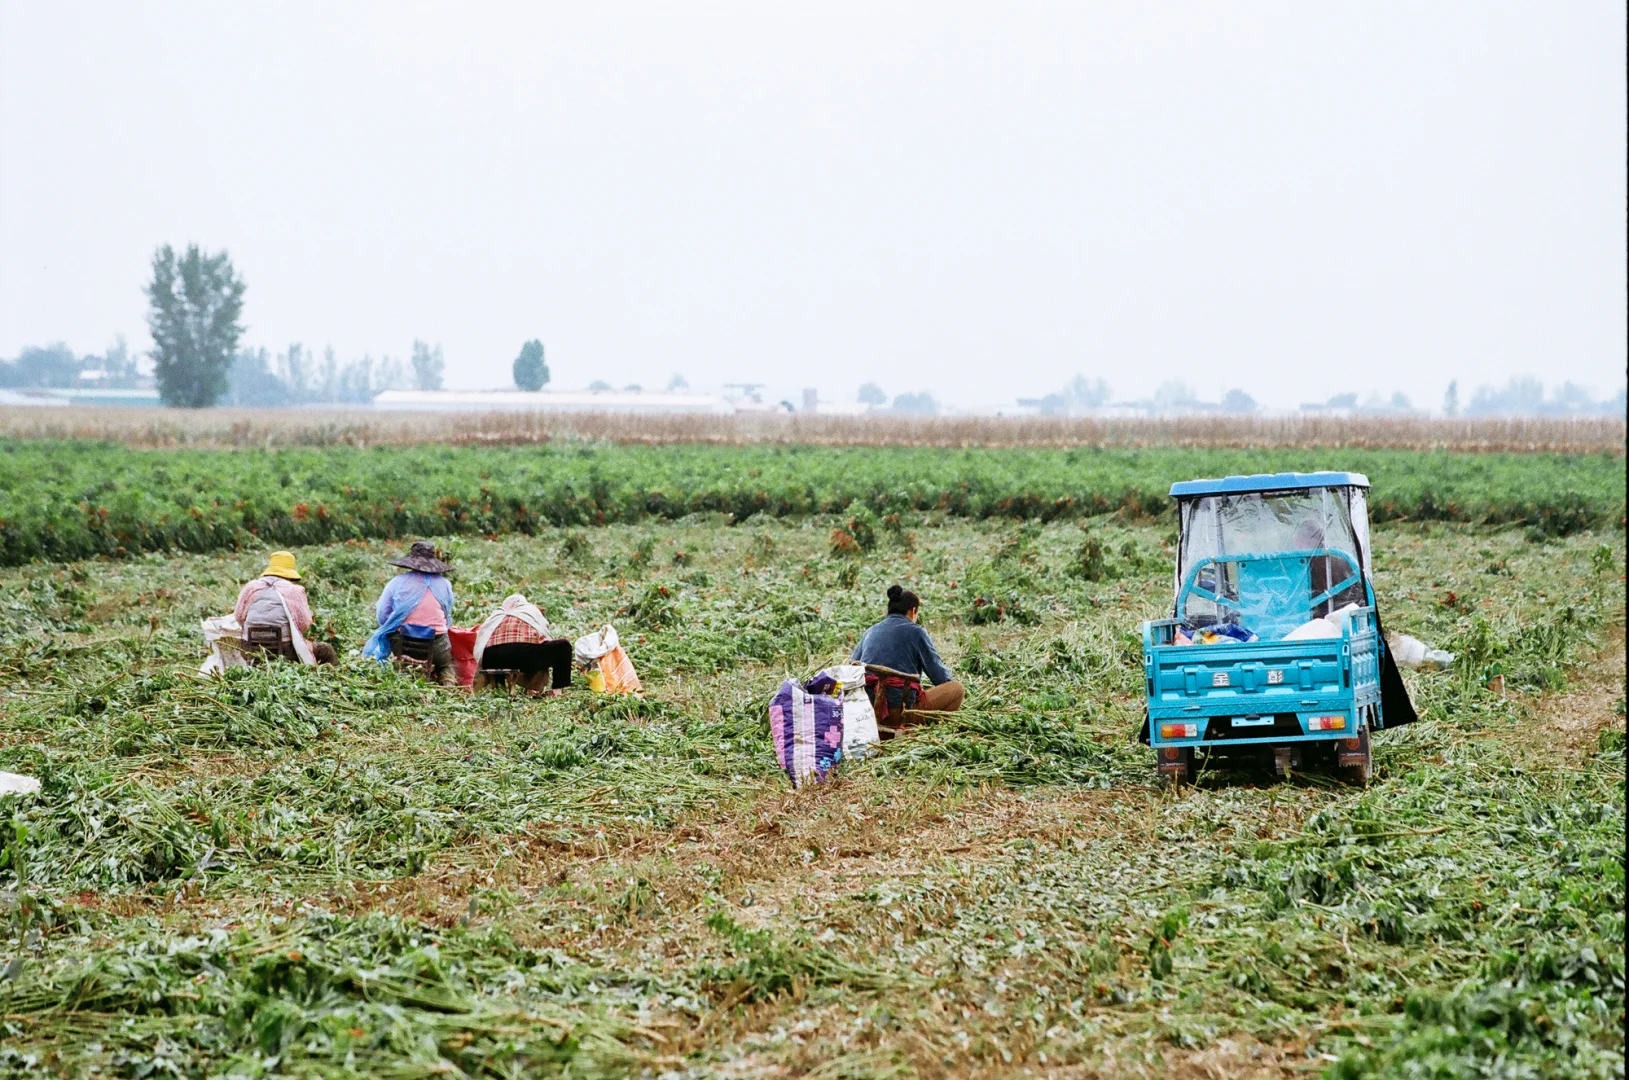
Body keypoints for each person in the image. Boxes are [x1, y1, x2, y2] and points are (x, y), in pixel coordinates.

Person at [849, 585, 964, 738]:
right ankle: (914, 731)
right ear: (913, 611)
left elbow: (850, 669)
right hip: (900, 713)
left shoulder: (870, 632)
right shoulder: (916, 631)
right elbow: (939, 676)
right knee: (956, 689)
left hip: (867, 713)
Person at [364, 540, 456, 685]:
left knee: (393, 634)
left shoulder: (397, 582)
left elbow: (382, 614)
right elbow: (447, 614)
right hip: (437, 645)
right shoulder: (444, 583)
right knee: (446, 664)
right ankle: (448, 683)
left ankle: (406, 679)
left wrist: (392, 626)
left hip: (403, 644)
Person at [234, 551, 334, 664]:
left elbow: (238, 616)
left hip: (250, 648)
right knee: (326, 650)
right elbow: (305, 623)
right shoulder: (294, 590)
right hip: (283, 650)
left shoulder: (251, 587)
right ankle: (333, 679)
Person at [472, 593, 573, 695]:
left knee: (506, 651)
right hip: (521, 655)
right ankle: (557, 692)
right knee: (563, 646)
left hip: (490, 658)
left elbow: (482, 638)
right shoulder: (529, 609)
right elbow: (543, 633)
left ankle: (499, 690)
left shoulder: (496, 614)